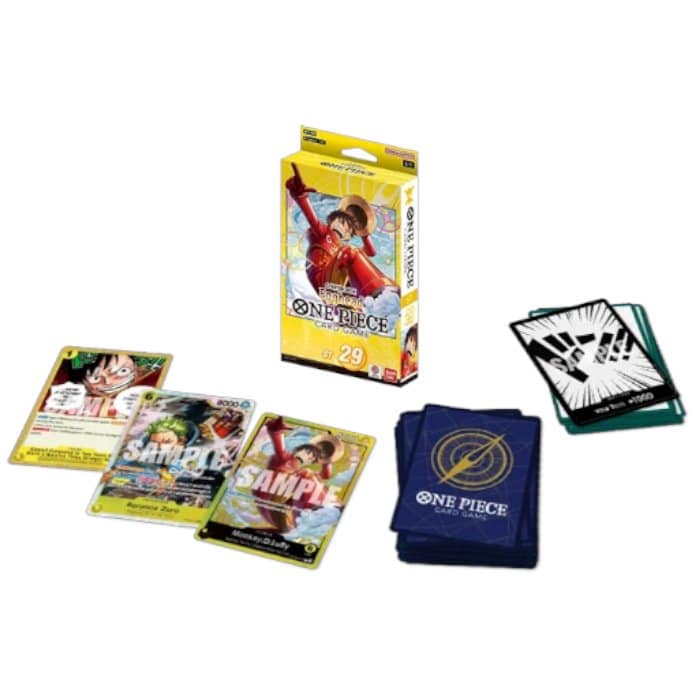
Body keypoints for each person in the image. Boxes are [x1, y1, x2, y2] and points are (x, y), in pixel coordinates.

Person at [286, 163, 398, 298]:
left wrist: (364, 233)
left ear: (348, 236)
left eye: (348, 229)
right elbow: (311, 218)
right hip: (322, 279)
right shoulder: (322, 232)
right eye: (341, 222)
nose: (343, 228)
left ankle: (386, 291)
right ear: (331, 220)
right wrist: (300, 195)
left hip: (338, 289)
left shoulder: (341, 251)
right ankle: (379, 292)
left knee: (354, 260)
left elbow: (370, 252)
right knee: (350, 252)